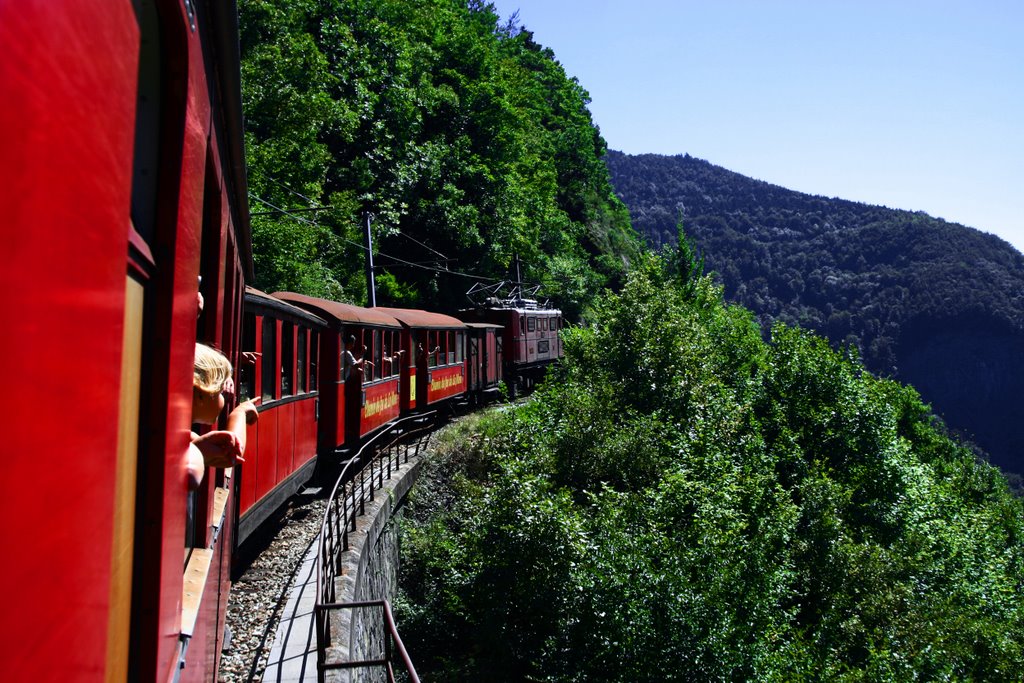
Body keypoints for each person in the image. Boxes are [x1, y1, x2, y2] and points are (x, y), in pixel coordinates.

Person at [187, 343, 260, 488]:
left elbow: (228, 456)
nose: (225, 397)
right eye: (221, 391)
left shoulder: (184, 435)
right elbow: (232, 454)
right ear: (199, 395)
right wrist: (240, 413)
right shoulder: (182, 439)